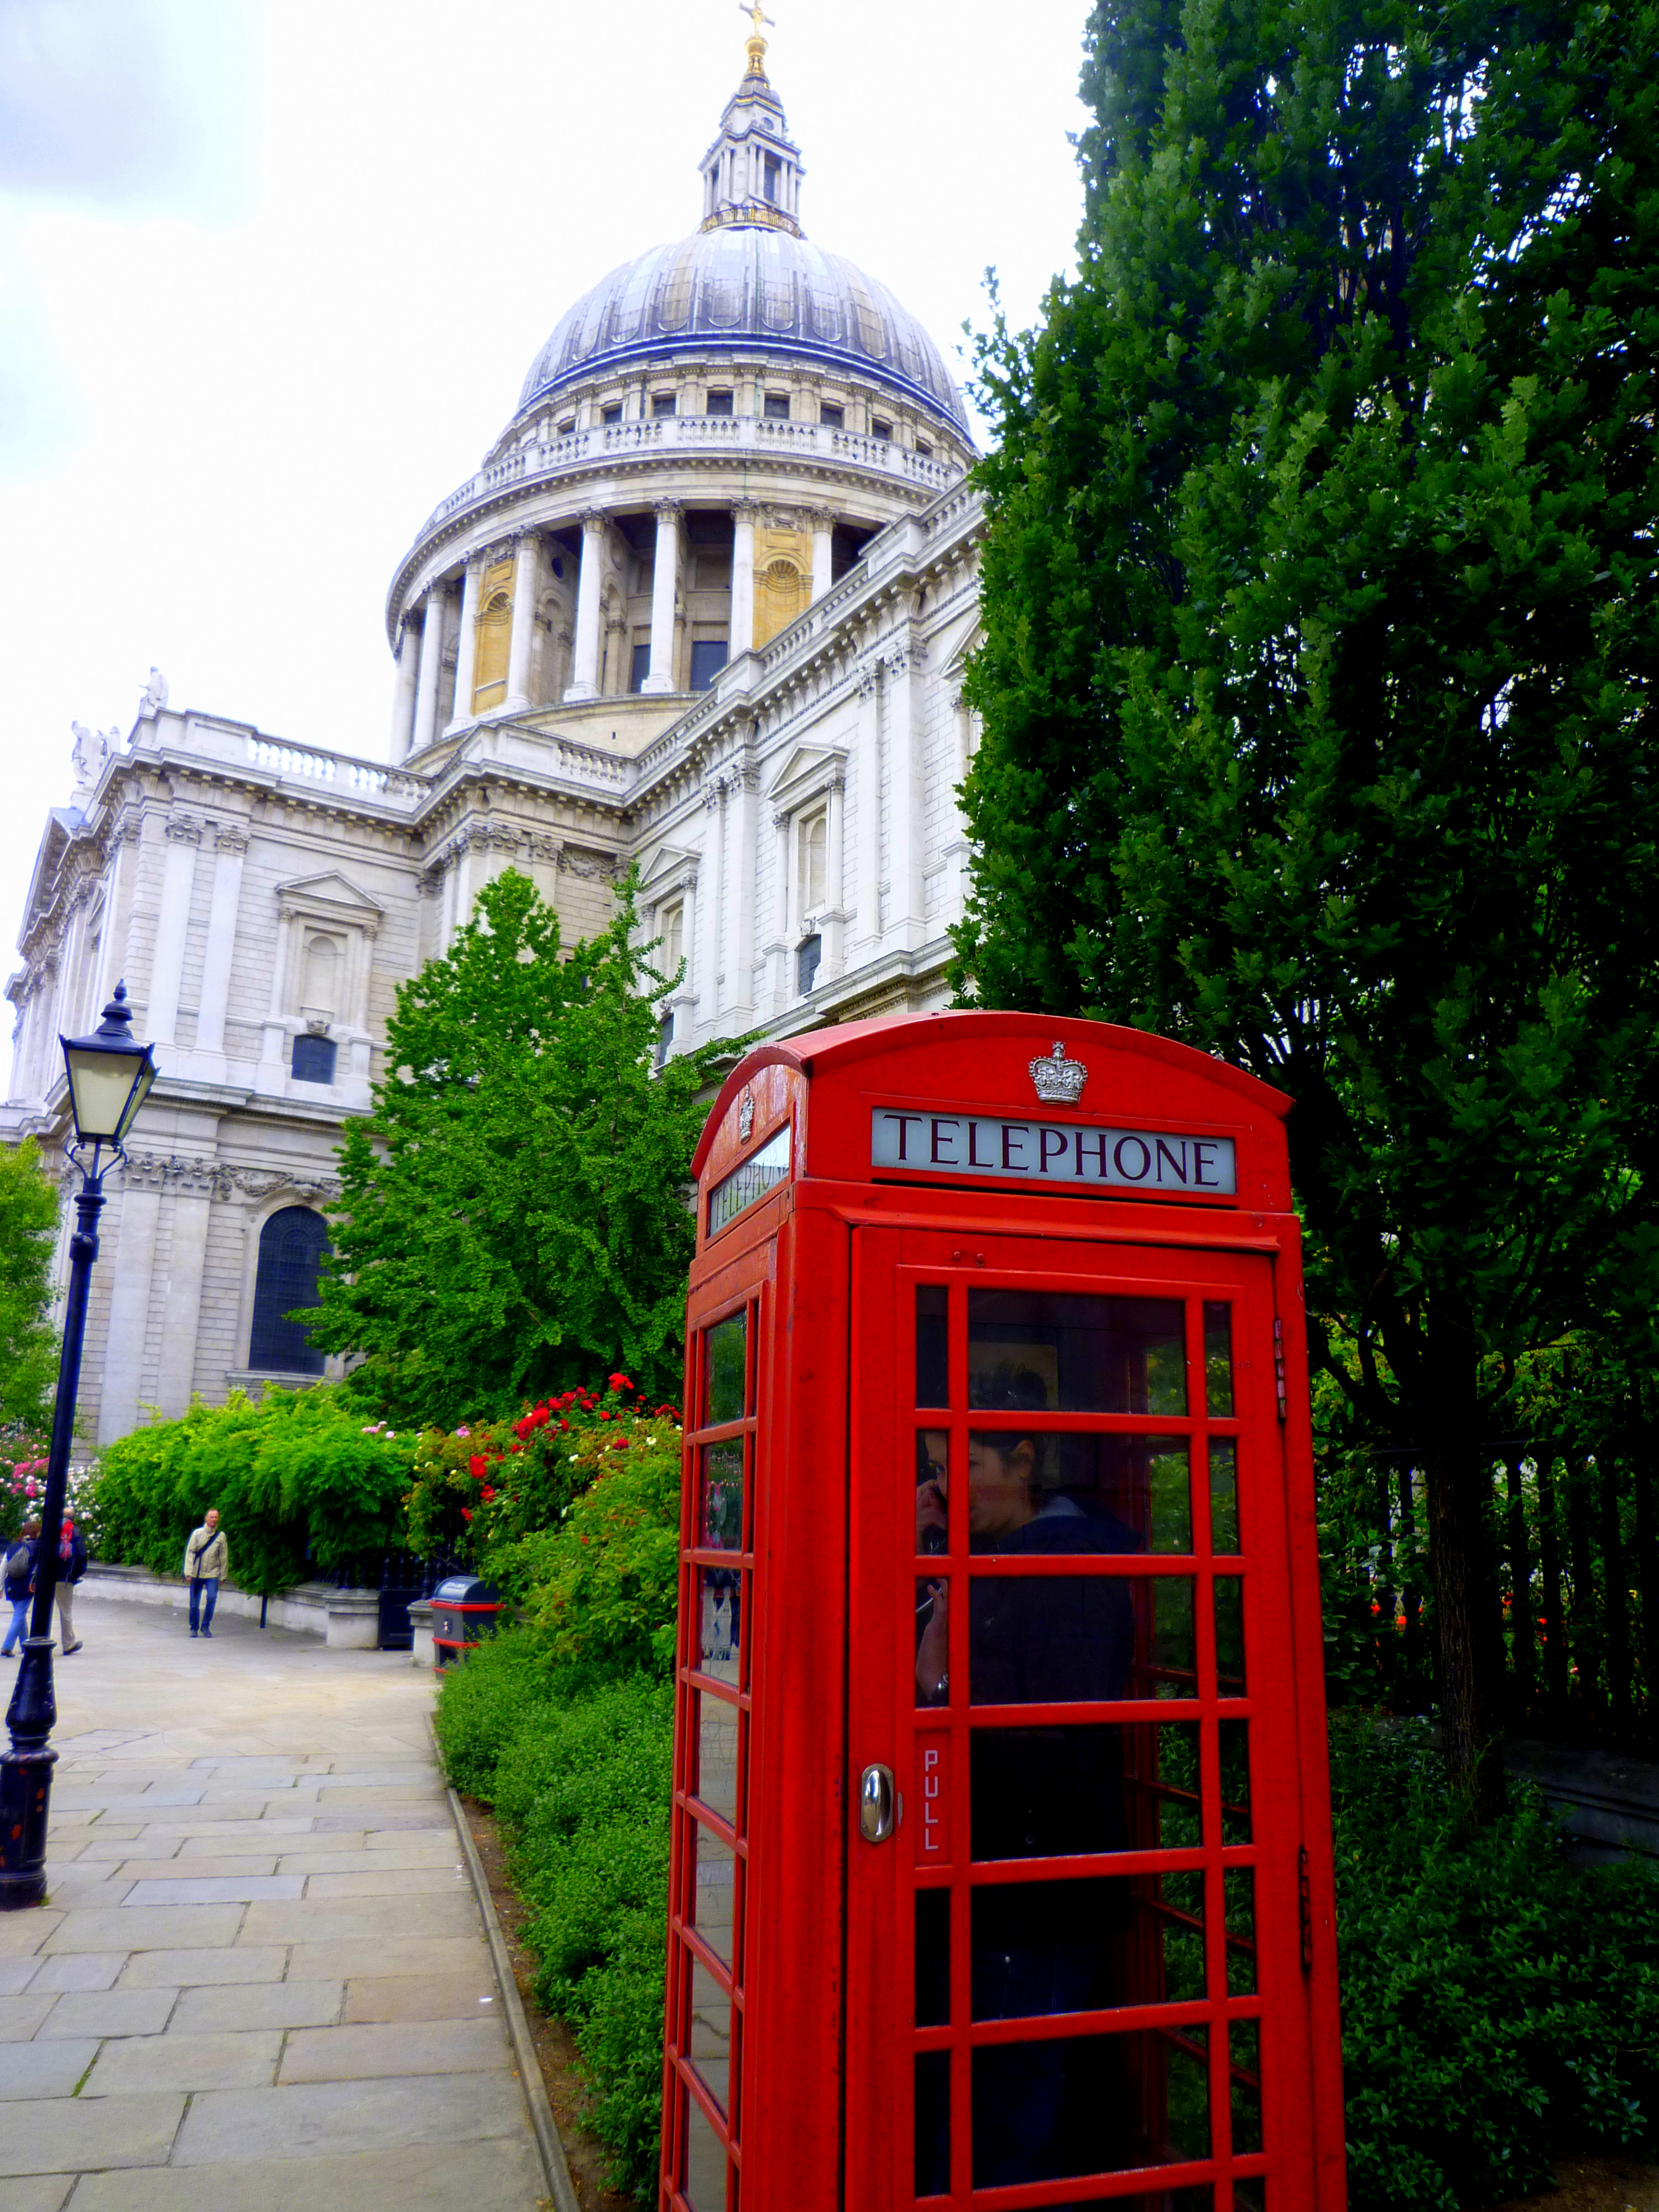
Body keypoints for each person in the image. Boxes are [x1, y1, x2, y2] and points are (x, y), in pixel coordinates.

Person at [914, 1369, 1143, 2200]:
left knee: (1007, 2116)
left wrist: (941, 1686)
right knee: (992, 2102)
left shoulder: (1060, 1572)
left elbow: (1037, 1737)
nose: (949, 1487)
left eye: (967, 1465)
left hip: (1038, 1884)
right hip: (1010, 1882)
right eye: (938, 1467)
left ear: (1024, 1461)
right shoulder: (1005, 1564)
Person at [183, 1508, 227, 1637]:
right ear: (206, 1519)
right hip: (197, 1573)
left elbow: (224, 1556)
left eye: (216, 1517)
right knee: (194, 1604)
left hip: (213, 1574)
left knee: (212, 1598)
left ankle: (205, 1626)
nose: (214, 1519)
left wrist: (223, 1575)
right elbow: (190, 1553)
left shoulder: (221, 1536)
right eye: (212, 1517)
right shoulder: (197, 1534)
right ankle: (194, 1627)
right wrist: (188, 1572)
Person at [1, 1521, 39, 1658]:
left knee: (20, 1614)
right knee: (19, 1615)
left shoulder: (13, 1546)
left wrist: (0, 1587)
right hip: (26, 1585)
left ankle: (25, 1645)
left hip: (11, 1585)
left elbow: (3, 1567)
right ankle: (7, 1647)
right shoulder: (36, 1547)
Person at [53, 1516, 86, 1655]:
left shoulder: (50, 1529)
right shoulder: (74, 1532)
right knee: (65, 1611)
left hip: (46, 1578)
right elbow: (81, 1554)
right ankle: (68, 1644)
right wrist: (75, 1575)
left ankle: (34, 1639)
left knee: (39, 1610)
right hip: (64, 1578)